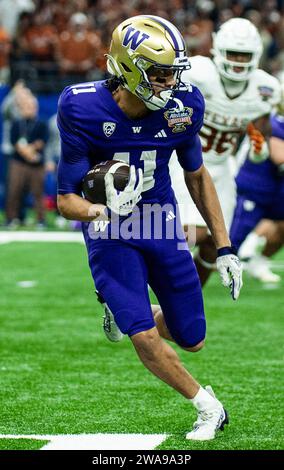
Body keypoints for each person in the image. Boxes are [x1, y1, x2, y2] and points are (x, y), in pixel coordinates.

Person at [57, 15, 242, 441]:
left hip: (160, 223)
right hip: (109, 231)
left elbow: (197, 175)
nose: (168, 85)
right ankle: (208, 406)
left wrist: (225, 246)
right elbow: (66, 199)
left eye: (172, 74)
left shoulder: (184, 106)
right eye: (159, 74)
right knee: (142, 336)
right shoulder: (81, 107)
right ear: (127, 68)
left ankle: (125, 313)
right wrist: (101, 212)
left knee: (191, 336)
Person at [169, 17, 280, 286]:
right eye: (233, 54)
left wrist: (258, 150)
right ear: (218, 50)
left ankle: (188, 296)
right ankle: (151, 281)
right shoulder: (196, 72)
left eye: (245, 55)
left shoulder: (265, 89)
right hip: (182, 161)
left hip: (221, 168)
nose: (239, 61)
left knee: (217, 245)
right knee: (190, 233)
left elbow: (260, 132)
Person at [229, 83, 284, 283]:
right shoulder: (273, 121)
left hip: (276, 190)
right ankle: (214, 262)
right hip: (255, 186)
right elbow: (280, 158)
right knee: (235, 235)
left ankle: (259, 261)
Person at [5, 91, 49, 227]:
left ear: (35, 108)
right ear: (21, 108)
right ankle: (11, 219)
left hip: (37, 164)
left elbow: (43, 141)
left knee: (38, 193)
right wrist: (26, 152)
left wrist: (30, 150)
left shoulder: (42, 123)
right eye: (26, 106)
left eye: (31, 106)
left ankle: (41, 220)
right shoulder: (17, 123)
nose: (29, 109)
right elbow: (14, 141)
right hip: (18, 162)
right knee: (14, 191)